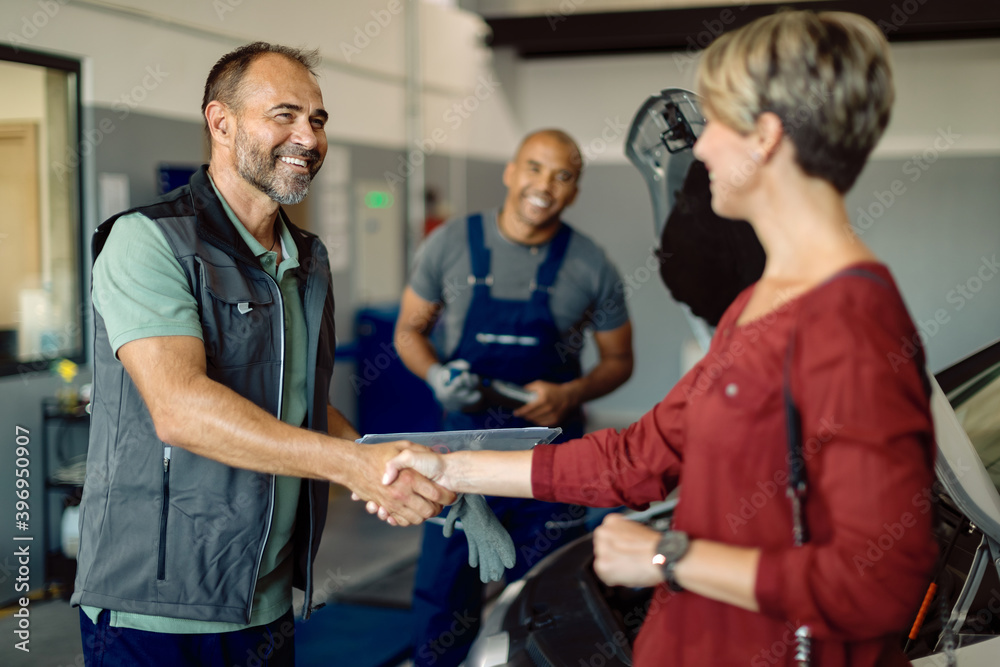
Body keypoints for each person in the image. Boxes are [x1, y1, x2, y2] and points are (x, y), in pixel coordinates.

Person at [378, 11, 938, 667]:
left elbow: (878, 582)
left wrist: (670, 555)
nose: (701, 149)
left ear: (765, 136)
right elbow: (638, 458)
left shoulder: (851, 323)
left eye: (717, 123)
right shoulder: (758, 304)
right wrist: (450, 467)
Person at [72, 42, 452, 666]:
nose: (308, 135)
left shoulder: (308, 258)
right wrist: (348, 467)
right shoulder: (148, 240)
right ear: (220, 123)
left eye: (318, 119)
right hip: (157, 608)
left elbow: (299, 401)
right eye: (284, 114)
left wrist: (396, 474)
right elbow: (181, 410)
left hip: (264, 599)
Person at [393, 129, 634, 666]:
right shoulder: (450, 244)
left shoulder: (591, 265)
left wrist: (572, 391)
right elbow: (409, 332)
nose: (544, 185)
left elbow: (620, 361)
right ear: (510, 171)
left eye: (562, 175)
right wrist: (435, 375)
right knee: (441, 604)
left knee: (549, 604)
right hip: (455, 464)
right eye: (534, 167)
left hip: (548, 467)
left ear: (574, 190)